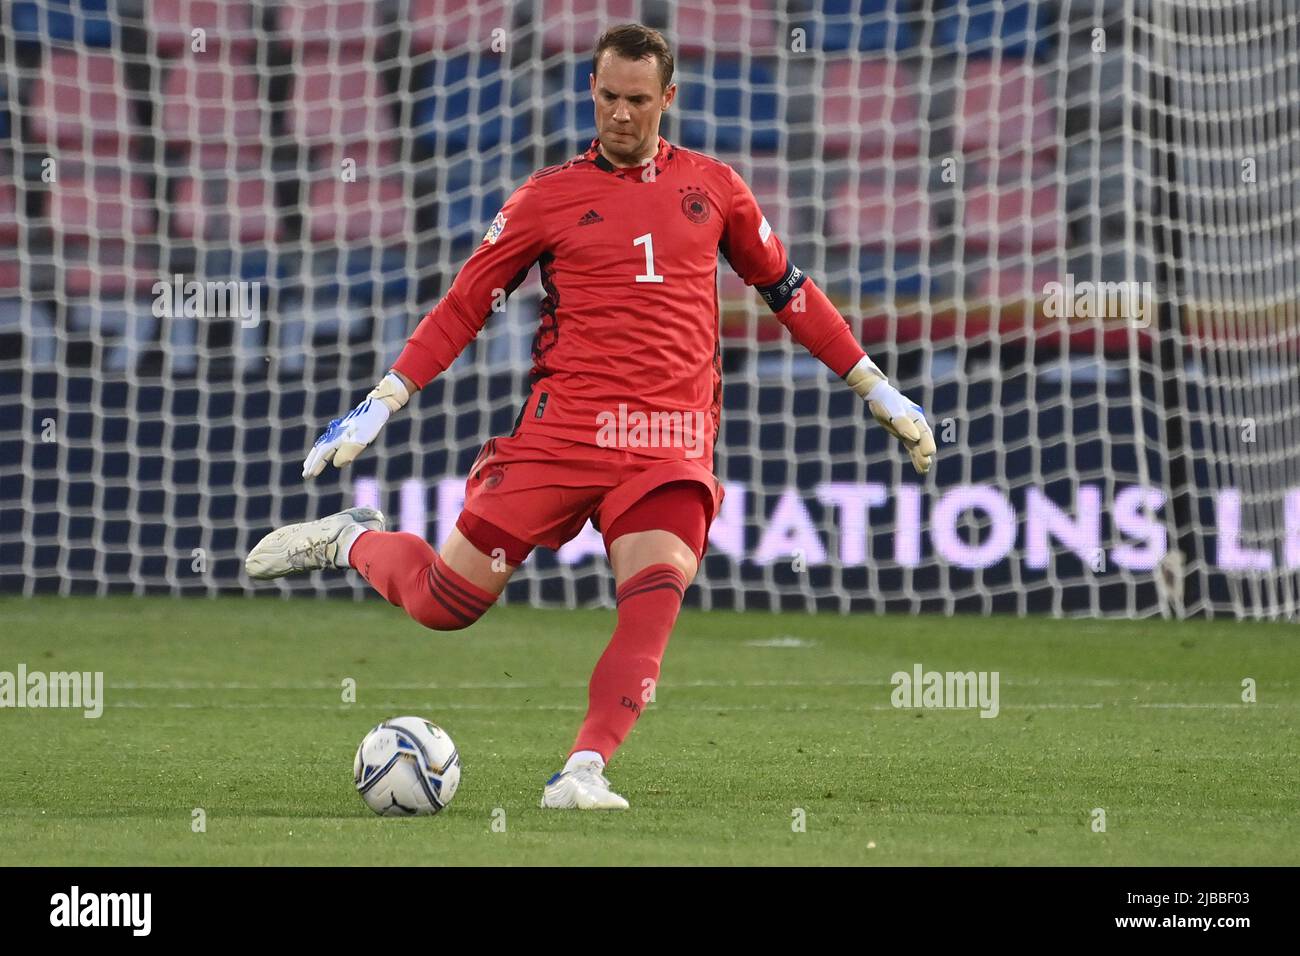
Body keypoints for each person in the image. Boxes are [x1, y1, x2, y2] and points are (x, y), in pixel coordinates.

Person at [246, 23, 936, 810]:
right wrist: (384, 399)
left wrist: (874, 386)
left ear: (667, 98)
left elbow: (789, 292)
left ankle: (581, 772)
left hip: (669, 442)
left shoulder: (716, 187)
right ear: (591, 90)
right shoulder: (548, 197)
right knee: (445, 604)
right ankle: (352, 538)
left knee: (654, 592)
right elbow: (465, 305)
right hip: (562, 433)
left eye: (638, 100)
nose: (620, 114)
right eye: (608, 96)